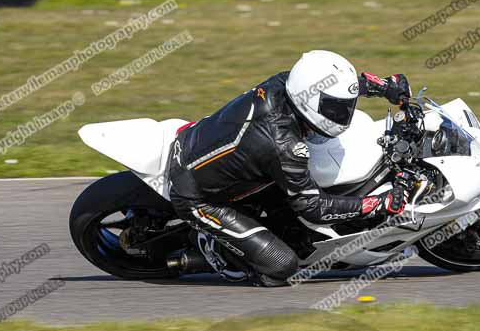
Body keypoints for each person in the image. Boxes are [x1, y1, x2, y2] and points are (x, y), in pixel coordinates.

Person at [168, 50, 412, 286]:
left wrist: (382, 86)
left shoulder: (286, 83)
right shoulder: (285, 144)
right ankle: (212, 247)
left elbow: (331, 87)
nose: (343, 113)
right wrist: (379, 204)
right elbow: (314, 208)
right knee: (282, 267)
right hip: (196, 196)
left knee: (289, 218)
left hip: (203, 146)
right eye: (335, 109)